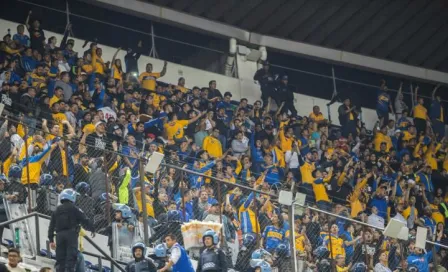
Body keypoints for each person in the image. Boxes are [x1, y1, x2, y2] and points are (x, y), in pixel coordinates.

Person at [48, 189, 94, 272]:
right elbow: (85, 219)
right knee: (71, 258)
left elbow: (51, 227)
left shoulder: (56, 210)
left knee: (60, 259)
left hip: (59, 236)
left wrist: (51, 240)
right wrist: (92, 229)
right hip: (71, 235)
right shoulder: (75, 209)